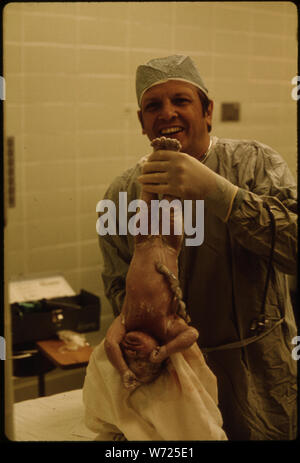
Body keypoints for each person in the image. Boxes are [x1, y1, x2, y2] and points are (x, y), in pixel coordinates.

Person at [97, 55, 297, 440]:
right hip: (169, 381)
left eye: (181, 100)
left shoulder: (256, 163)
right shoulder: (122, 193)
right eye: (153, 106)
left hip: (257, 373)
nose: (166, 112)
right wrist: (143, 350)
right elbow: (118, 287)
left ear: (208, 111)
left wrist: (223, 195)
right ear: (142, 122)